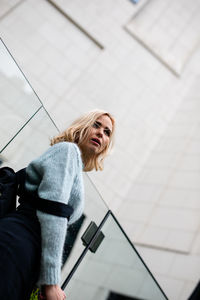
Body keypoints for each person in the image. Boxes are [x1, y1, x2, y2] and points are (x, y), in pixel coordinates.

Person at [0, 109, 115, 300]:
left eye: (107, 132)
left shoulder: (74, 165)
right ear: (82, 127)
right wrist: (52, 283)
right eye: (96, 125)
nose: (101, 133)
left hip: (25, 252)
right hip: (16, 243)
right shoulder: (67, 151)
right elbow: (53, 211)